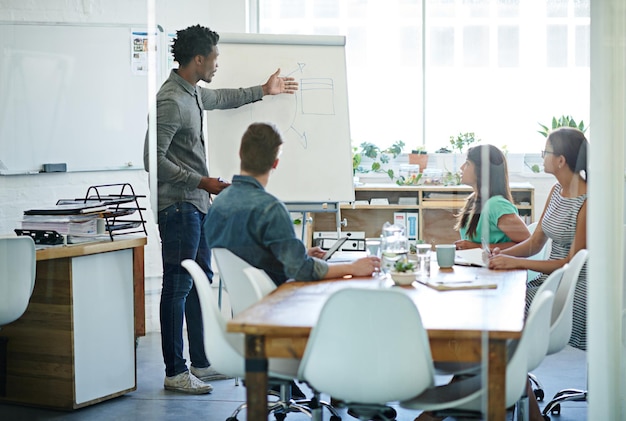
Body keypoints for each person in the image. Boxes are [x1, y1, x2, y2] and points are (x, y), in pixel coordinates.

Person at [143, 24, 299, 394]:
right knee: (178, 286)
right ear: (199, 59)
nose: (217, 64)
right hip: (179, 206)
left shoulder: (192, 94)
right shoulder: (170, 100)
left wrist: (263, 91)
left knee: (201, 284)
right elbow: (153, 160)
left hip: (196, 205)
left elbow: (223, 98)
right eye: (214, 58)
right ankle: (175, 370)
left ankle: (200, 361)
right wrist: (203, 182)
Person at [488, 126, 588, 421]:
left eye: (546, 152)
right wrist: (502, 255)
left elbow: (571, 261)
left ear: (561, 160)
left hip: (571, 289)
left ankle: (498, 398)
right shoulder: (557, 191)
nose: (542, 157)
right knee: (497, 326)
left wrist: (517, 264)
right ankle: (524, 408)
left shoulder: (587, 201)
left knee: (500, 324)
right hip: (547, 280)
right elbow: (534, 243)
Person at [204, 122, 380, 286]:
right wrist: (352, 267)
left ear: (240, 154)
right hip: (275, 303)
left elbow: (250, 257)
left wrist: (295, 255)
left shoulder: (218, 204)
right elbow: (301, 270)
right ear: (275, 163)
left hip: (244, 308)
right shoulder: (270, 209)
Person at [454, 144, 530, 251]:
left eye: (467, 163)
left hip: (499, 266)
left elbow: (528, 244)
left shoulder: (496, 205)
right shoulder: (473, 200)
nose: (461, 167)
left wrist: (478, 248)